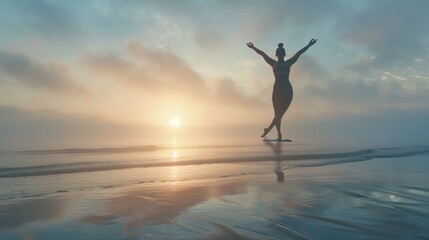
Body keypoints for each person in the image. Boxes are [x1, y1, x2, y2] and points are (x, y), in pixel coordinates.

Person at [247, 39, 317, 140]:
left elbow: (299, 53)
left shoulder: (288, 63)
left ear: (280, 54)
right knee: (277, 114)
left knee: (280, 114)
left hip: (287, 90)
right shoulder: (274, 63)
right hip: (277, 90)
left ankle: (268, 129)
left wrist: (309, 45)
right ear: (279, 54)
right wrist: (253, 48)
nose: (280, 55)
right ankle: (279, 134)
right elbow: (262, 54)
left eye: (280, 53)